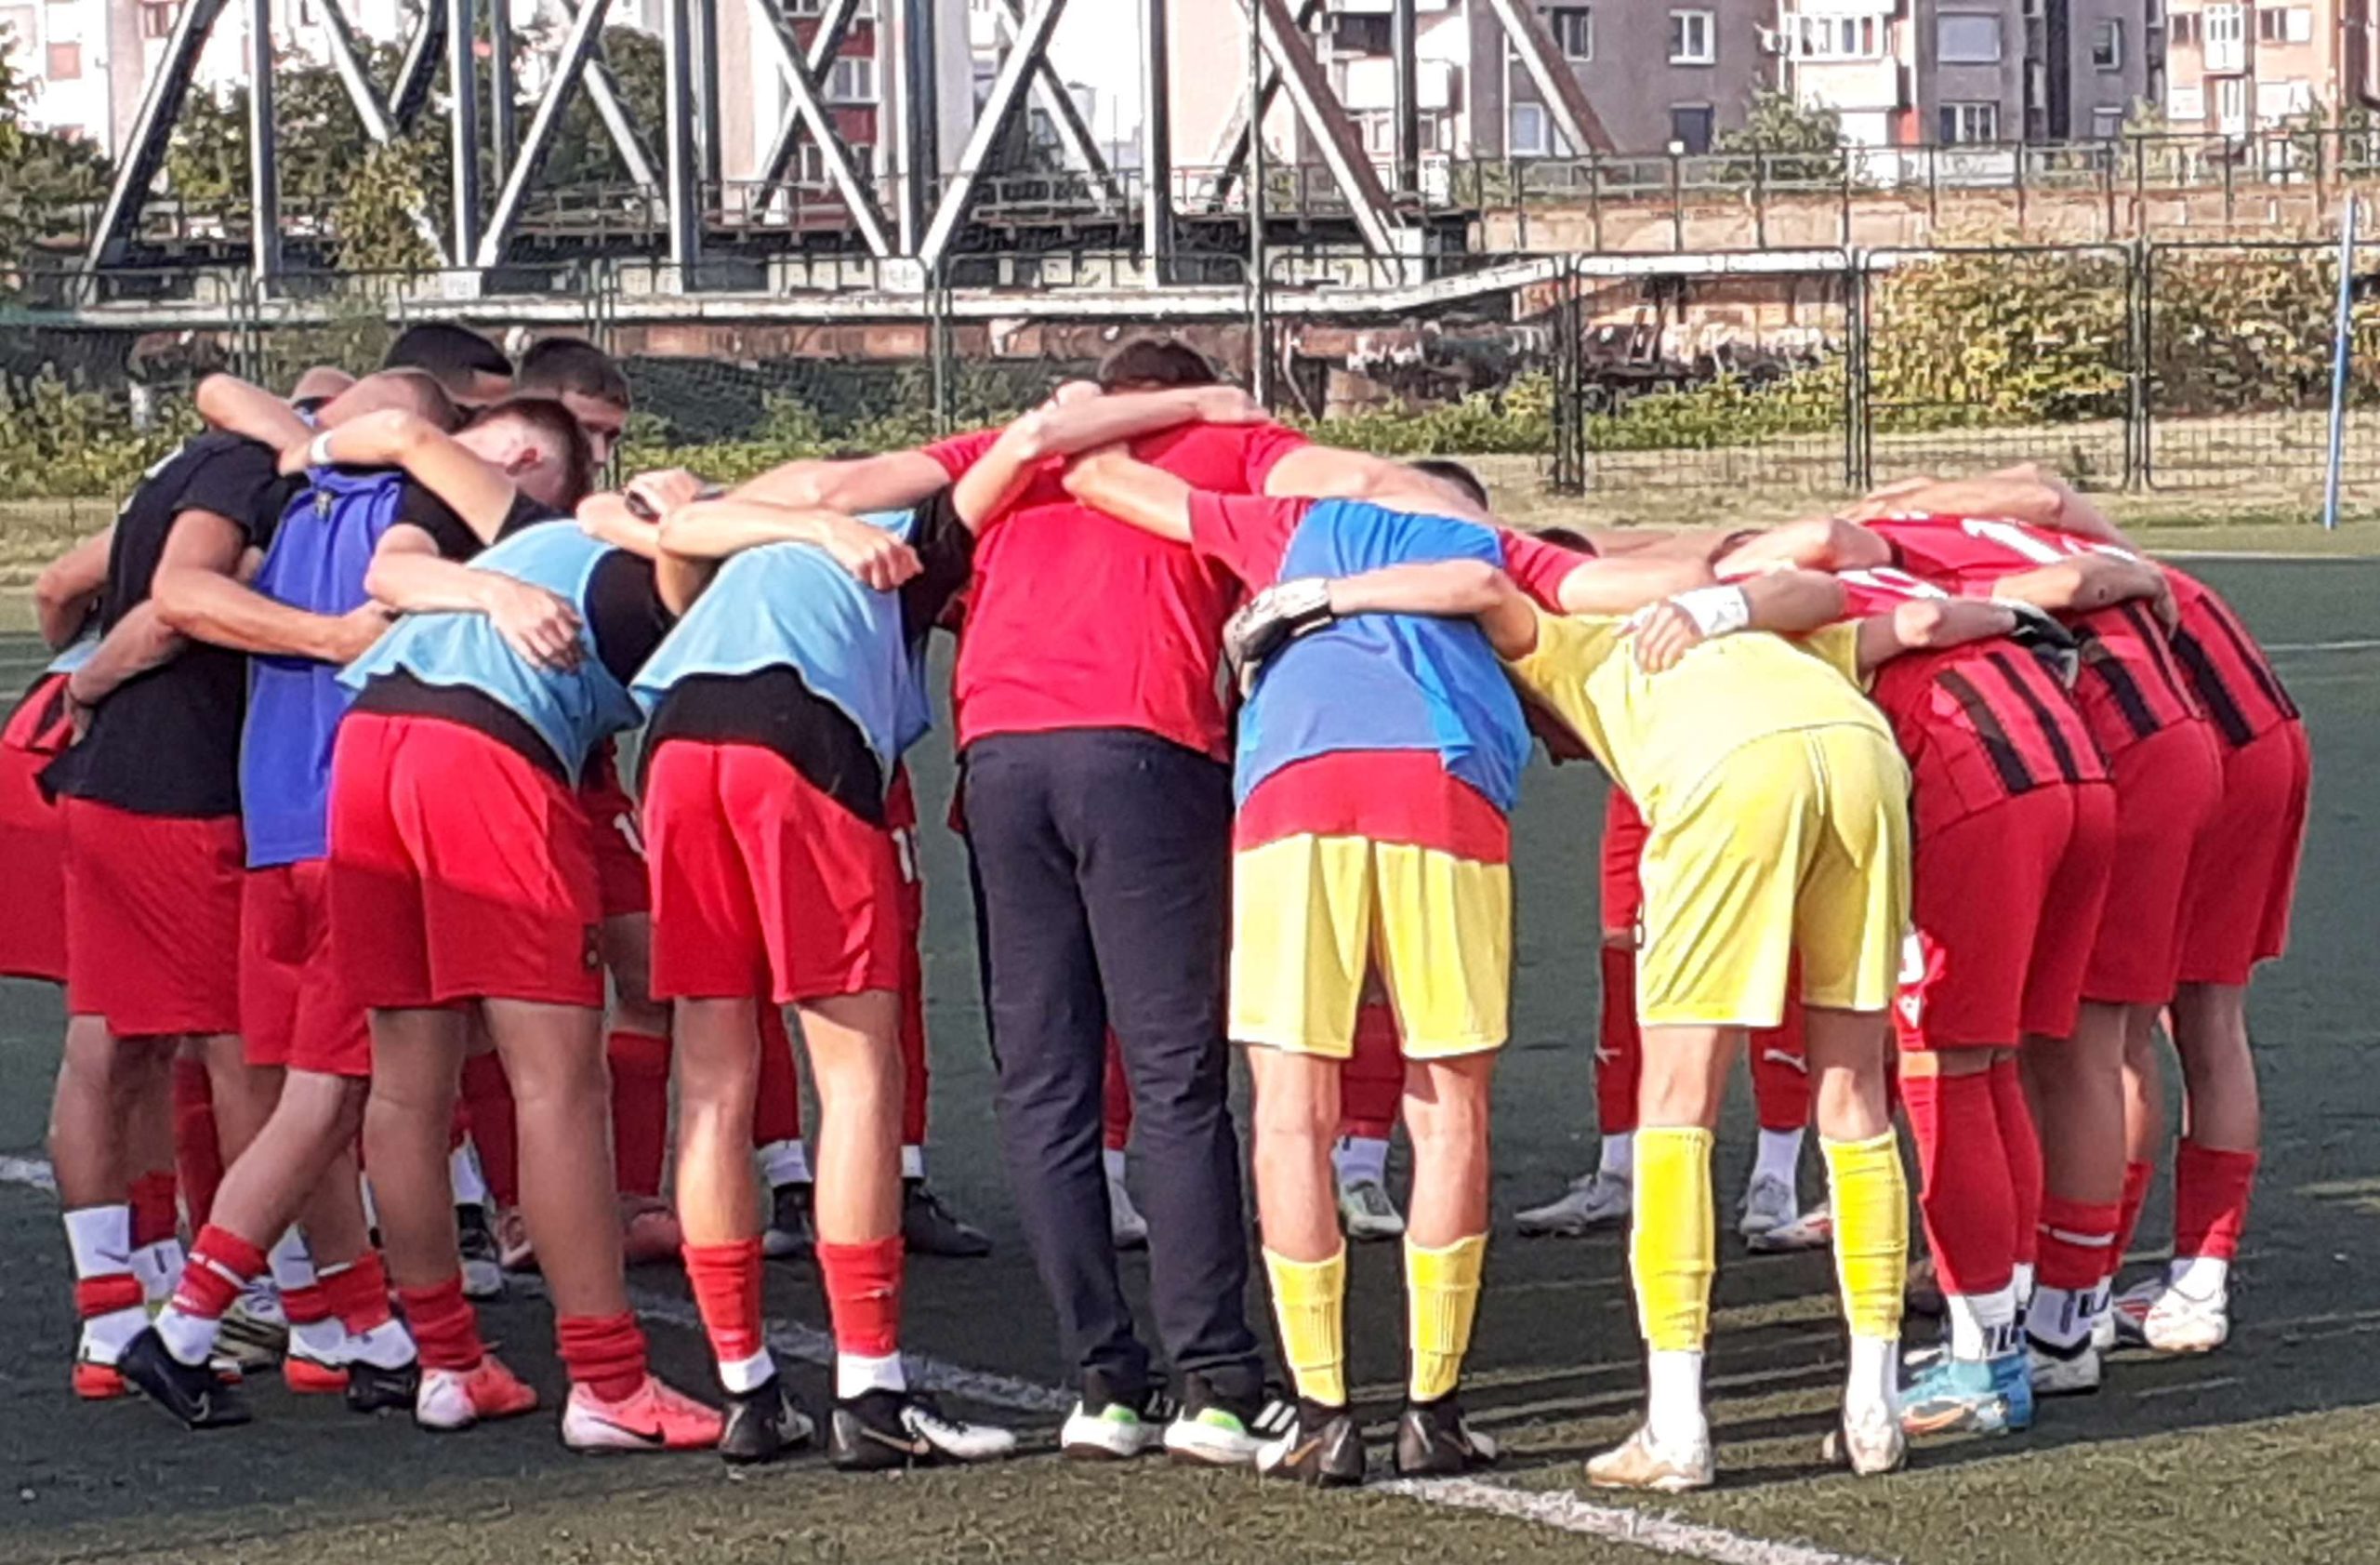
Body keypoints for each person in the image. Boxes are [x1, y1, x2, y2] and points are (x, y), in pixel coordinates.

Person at [1054, 451, 1684, 1483]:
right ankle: (1433, 1408)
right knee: (1449, 1108)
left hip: (1292, 787)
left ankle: (1323, 1413)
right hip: (1445, 786)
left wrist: (1190, 430)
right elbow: (1648, 577)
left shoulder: (1294, 523)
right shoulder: (1489, 543)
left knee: (1289, 1111)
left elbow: (1105, 480)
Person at [1269, 553, 1915, 1489]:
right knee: (1853, 1092)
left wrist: (1324, 597)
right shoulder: (1722, 617)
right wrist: (1721, 603)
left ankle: (1676, 1424)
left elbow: (1485, 585)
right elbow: (1835, 591)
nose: (1552, 752)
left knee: (1676, 1107)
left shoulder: (1555, 635)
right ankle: (1874, 1407)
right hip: (1861, 751)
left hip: (1726, 773)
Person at [117, 387, 586, 1430]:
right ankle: (187, 1324)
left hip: (273, 819)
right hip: (353, 822)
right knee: (337, 1100)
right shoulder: (433, 510)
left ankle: (363, 1330)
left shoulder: (297, 500)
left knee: (312, 1095)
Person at [1730, 505, 2219, 1393]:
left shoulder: (1759, 607)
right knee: (2035, 1058)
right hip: (2083, 779)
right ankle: (2059, 1328)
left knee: (1950, 1072)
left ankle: (1984, 1360)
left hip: (1984, 789)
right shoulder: (1901, 572)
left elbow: (1904, 629)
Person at [319, 405, 722, 1450]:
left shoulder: (531, 531)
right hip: (485, 756)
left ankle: (448, 1362)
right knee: (557, 1084)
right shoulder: (675, 575)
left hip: (369, 740)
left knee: (407, 1083)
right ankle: (608, 1381)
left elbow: (398, 554)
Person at [1895, 471, 2306, 1355]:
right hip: (2250, 731)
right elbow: (2051, 500)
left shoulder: (1932, 569)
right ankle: (2159, 1277)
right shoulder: (2042, 533)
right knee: (2186, 1019)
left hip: (2170, 755)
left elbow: (2056, 560)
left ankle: (2074, 1298)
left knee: (2094, 1035)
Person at [40, 398, 390, 1410]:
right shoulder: (261, 473)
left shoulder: (203, 458)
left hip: (126, 785)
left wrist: (87, 688)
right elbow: (175, 603)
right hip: (181, 794)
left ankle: (117, 1313)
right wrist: (328, 636)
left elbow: (64, 582)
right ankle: (308, 1312)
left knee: (120, 1046)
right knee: (249, 1060)